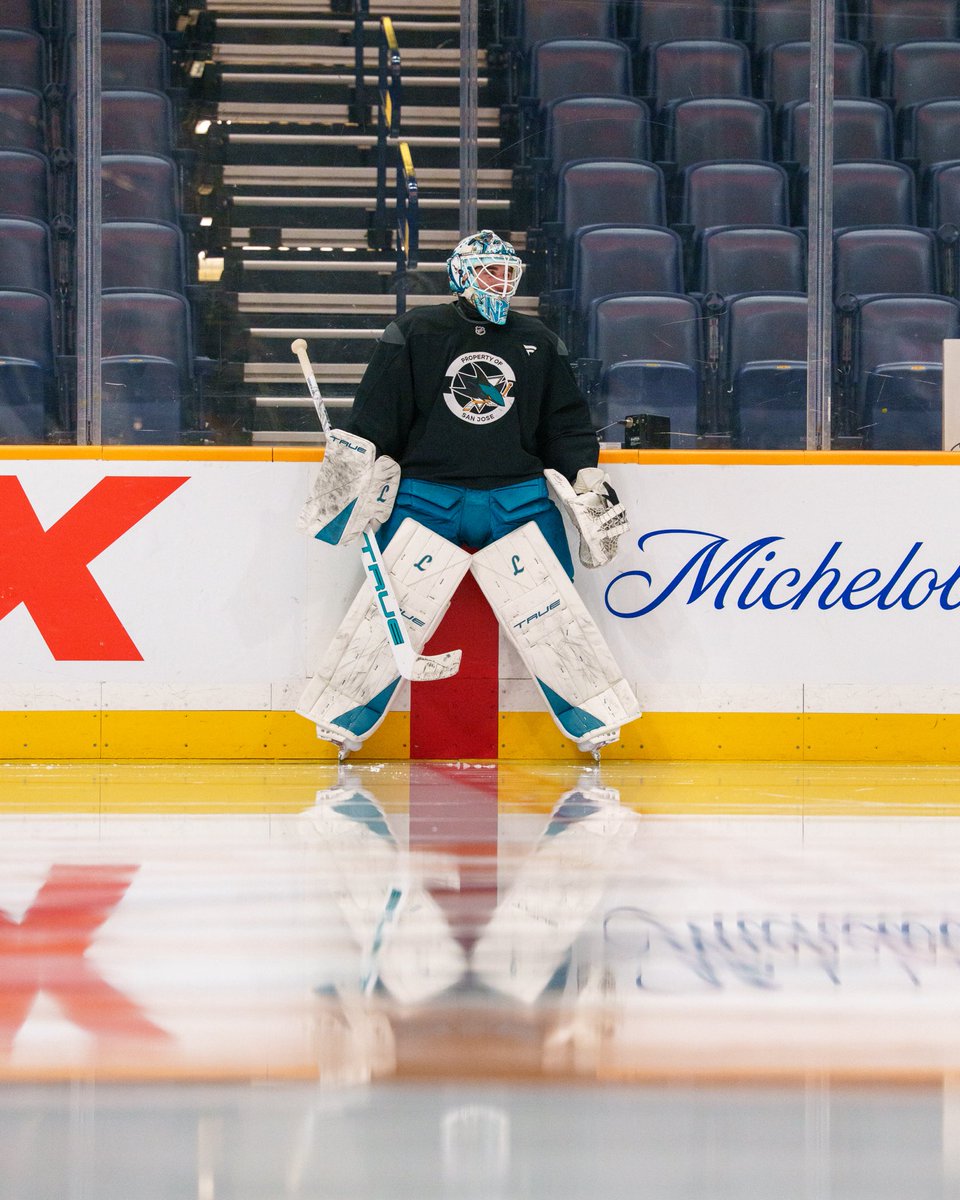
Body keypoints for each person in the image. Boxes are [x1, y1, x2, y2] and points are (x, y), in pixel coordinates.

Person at [296, 230, 641, 758]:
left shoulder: (539, 341)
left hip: (519, 498)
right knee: (392, 607)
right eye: (486, 271)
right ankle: (345, 715)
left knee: (553, 609)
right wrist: (350, 481)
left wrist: (583, 473)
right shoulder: (415, 332)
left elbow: (565, 427)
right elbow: (375, 417)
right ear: (460, 275)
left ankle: (593, 717)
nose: (499, 282)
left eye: (507, 273)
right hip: (425, 498)